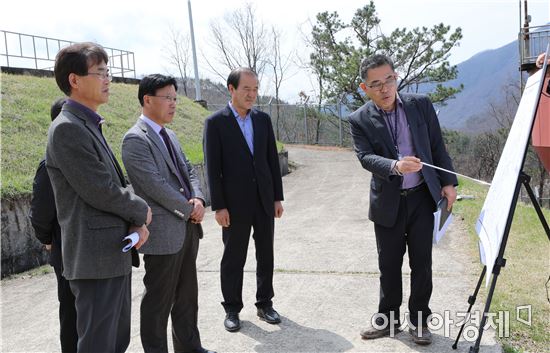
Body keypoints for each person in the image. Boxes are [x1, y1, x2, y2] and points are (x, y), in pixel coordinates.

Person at [46, 42, 151, 353]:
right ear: (74, 80)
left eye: (109, 72)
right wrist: (142, 210)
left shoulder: (88, 124)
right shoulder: (67, 129)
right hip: (94, 260)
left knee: (116, 342)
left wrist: (135, 221)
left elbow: (117, 182)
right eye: (100, 72)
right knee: (98, 346)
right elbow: (100, 190)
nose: (108, 80)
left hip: (111, 253)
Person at [348, 54, 458, 345]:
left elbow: (436, 145)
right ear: (364, 88)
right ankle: (388, 319)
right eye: (376, 84)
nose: (385, 89)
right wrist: (395, 166)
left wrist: (449, 183)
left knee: (422, 263)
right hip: (388, 202)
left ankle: (420, 321)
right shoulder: (359, 119)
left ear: (396, 77)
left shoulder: (420, 105)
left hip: (422, 196)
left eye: (389, 80)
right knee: (389, 264)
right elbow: (365, 157)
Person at [121, 74, 215, 353]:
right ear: (147, 100)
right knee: (158, 303)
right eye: (168, 98)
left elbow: (188, 169)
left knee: (187, 296)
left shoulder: (169, 134)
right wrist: (189, 209)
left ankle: (189, 348)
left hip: (187, 226)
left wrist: (198, 197)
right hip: (163, 233)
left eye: (175, 98)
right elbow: (154, 185)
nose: (174, 104)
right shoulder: (135, 139)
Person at [203, 67, 284, 332]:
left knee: (266, 254)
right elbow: (212, 168)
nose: (252, 94)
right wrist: (219, 206)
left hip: (263, 199)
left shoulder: (262, 120)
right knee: (233, 257)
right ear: (231, 89)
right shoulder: (216, 122)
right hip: (234, 205)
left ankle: (265, 303)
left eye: (255, 89)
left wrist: (276, 198)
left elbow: (271, 160)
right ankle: (232, 309)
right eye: (246, 89)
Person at [29, 97, 78, 353]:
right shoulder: (49, 164)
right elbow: (40, 213)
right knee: (71, 316)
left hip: (89, 251)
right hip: (66, 251)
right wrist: (48, 239)